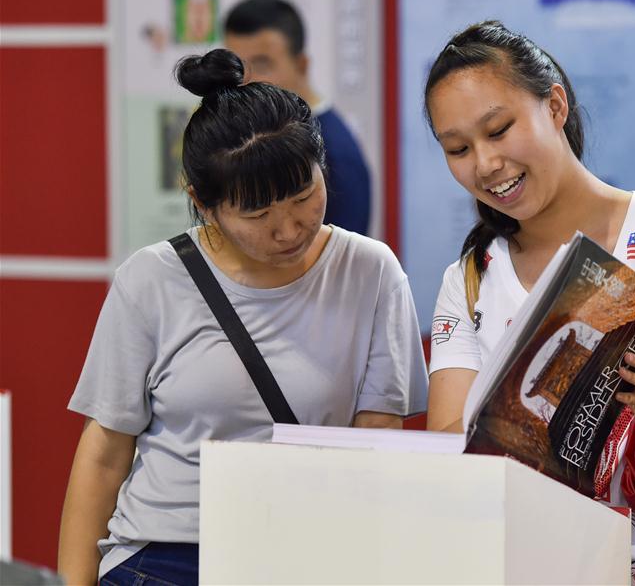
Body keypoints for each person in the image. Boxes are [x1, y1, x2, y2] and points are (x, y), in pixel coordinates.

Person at [57, 49, 427, 585]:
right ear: (202, 203)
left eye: (304, 195)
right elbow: (105, 452)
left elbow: (375, 439)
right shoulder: (151, 279)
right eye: (257, 214)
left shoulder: (370, 272)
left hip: (306, 553)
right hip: (166, 558)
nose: (290, 229)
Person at [423, 21, 635, 585]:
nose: (484, 164)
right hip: (533, 567)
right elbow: (452, 453)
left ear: (554, 105)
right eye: (458, 148)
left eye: (499, 129)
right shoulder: (469, 280)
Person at [224, 0, 372, 235]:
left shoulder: (335, 155)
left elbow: (342, 265)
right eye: (236, 66)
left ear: (301, 65)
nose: (245, 80)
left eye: (262, 64)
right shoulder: (253, 133)